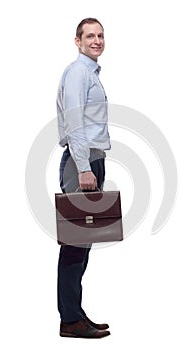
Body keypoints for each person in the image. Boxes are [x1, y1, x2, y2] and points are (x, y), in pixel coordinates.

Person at [56, 18, 111, 338]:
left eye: (101, 35)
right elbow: (75, 123)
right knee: (75, 244)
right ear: (77, 41)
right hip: (82, 163)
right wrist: (85, 168)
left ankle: (75, 314)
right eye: (90, 36)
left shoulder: (90, 73)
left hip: (90, 160)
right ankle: (70, 320)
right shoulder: (78, 72)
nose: (97, 40)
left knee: (84, 243)